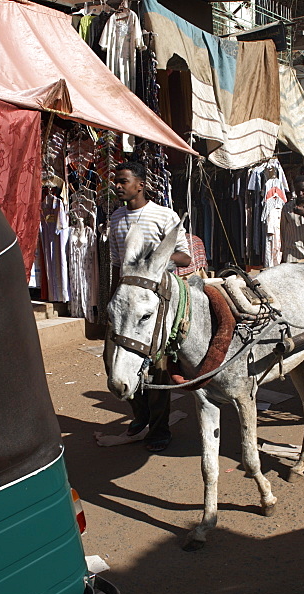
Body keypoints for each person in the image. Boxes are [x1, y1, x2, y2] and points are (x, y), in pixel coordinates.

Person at [108, 161, 191, 451]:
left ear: (140, 184)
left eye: (123, 181)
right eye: (116, 181)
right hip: (125, 304)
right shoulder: (116, 219)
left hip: (155, 303)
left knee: (156, 367)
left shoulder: (163, 216)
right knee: (115, 361)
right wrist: (110, 305)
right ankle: (140, 416)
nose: (117, 186)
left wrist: (158, 260)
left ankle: (159, 430)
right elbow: (116, 265)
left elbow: (185, 257)